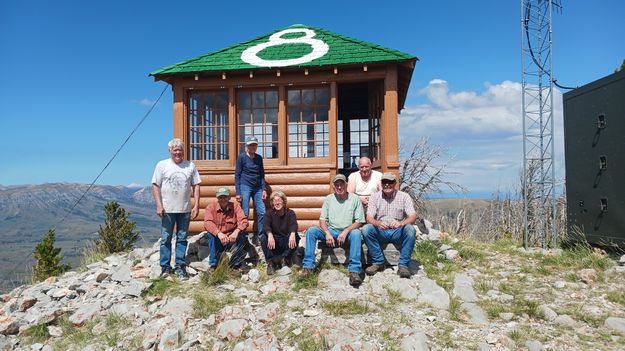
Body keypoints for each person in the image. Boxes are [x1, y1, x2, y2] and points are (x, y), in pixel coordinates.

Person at [302, 174, 365, 287]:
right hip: (331, 230)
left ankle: (354, 271)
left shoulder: (354, 199)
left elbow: (359, 221)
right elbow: (322, 220)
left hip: (348, 232)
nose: (339, 187)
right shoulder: (329, 199)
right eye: (337, 185)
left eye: (342, 184)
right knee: (311, 231)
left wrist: (346, 231)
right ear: (333, 187)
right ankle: (308, 267)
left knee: (356, 233)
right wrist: (327, 233)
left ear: (346, 185)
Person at [151, 138, 201, 280]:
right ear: (170, 151)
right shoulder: (162, 165)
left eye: (180, 150)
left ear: (183, 151)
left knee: (182, 238)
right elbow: (155, 185)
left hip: (185, 208)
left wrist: (196, 205)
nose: (178, 152)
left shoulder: (190, 166)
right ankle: (165, 267)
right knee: (166, 238)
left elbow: (196, 185)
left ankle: (180, 266)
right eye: (175, 150)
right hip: (167, 209)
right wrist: (159, 205)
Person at [361, 173, 417, 278]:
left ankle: (403, 265)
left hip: (397, 231)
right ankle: (378, 262)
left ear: (395, 183)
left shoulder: (404, 196)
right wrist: (377, 223)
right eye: (384, 182)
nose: (387, 185)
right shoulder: (374, 196)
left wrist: (401, 223)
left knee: (410, 229)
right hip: (381, 231)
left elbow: (413, 216)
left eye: (390, 182)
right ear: (381, 184)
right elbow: (369, 217)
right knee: (366, 229)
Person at [204, 187, 249, 270]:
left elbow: (244, 220)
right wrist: (219, 233)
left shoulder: (236, 206)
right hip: (218, 240)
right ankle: (213, 265)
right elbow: (207, 223)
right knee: (210, 234)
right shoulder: (211, 207)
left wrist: (236, 231)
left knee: (242, 233)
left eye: (225, 197)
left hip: (232, 240)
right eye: (220, 197)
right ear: (217, 198)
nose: (223, 199)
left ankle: (236, 264)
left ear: (229, 198)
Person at [235, 136, 267, 243]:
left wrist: (264, 189)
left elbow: (262, 175)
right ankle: (243, 237)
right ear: (247, 146)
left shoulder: (259, 158)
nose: (252, 147)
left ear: (257, 146)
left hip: (258, 187)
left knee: (262, 212)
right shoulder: (241, 157)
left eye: (254, 145)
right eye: (250, 145)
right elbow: (237, 175)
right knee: (245, 213)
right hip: (245, 185)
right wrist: (238, 192)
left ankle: (261, 236)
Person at [261, 191, 299, 275]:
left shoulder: (290, 213)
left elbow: (294, 224)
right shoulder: (269, 214)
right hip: (274, 243)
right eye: (274, 201)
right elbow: (266, 226)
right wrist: (270, 235)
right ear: (272, 203)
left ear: (283, 201)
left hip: (285, 242)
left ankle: (285, 259)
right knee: (263, 237)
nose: (277, 203)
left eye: (279, 200)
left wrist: (292, 234)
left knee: (295, 236)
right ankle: (271, 262)